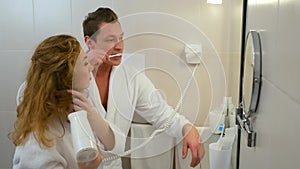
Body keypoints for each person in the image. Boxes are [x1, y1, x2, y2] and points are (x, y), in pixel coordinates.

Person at [83, 7, 205, 168]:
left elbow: (161, 112)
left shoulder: (132, 77)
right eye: (110, 39)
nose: (119, 46)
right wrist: (83, 67)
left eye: (121, 38)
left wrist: (187, 128)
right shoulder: (70, 77)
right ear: (89, 42)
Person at [10, 34, 117, 169]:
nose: (90, 69)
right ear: (66, 76)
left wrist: (92, 115)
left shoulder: (76, 107)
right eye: (85, 63)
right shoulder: (39, 141)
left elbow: (112, 143)